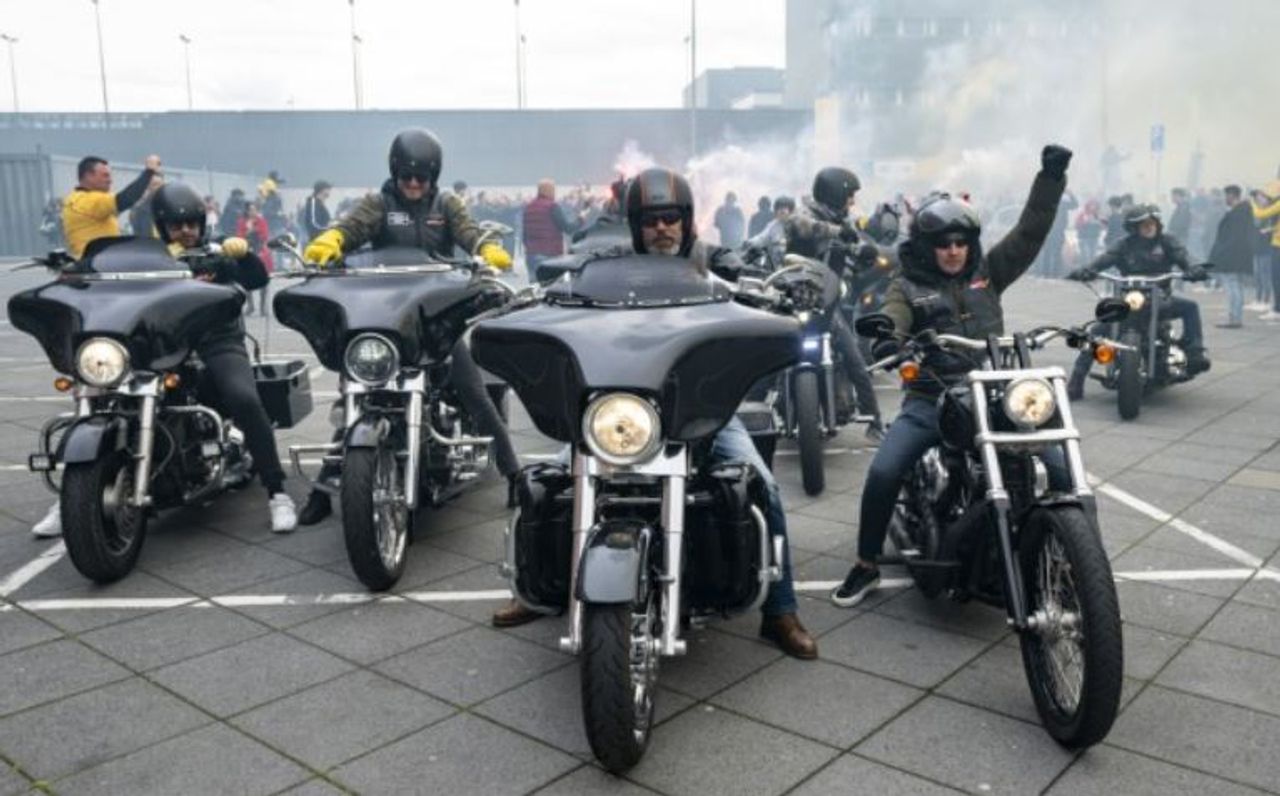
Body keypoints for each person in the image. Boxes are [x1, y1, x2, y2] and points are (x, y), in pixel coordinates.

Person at [493, 167, 818, 660]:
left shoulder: (713, 261)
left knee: (763, 487)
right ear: (635, 224)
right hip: (624, 407)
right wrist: (544, 288)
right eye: (651, 219)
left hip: (701, 406)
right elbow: (572, 272)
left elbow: (749, 274)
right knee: (551, 477)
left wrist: (774, 291)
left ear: (686, 221)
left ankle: (780, 609)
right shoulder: (611, 263)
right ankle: (533, 589)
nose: (662, 228)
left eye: (671, 218)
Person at [831, 145, 1075, 608]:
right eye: (944, 244)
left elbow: (1030, 231)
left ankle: (1072, 560)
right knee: (884, 471)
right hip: (930, 400)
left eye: (960, 242)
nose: (953, 251)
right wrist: (888, 338)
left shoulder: (989, 272)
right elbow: (893, 315)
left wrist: (1050, 177)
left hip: (994, 393)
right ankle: (865, 564)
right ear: (928, 247)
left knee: (1060, 464)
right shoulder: (907, 284)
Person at [32, 183, 298, 539]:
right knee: (96, 391)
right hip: (158, 345)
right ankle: (69, 499)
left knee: (243, 397)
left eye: (191, 224)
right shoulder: (146, 254)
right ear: (161, 225)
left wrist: (243, 254)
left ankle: (277, 492)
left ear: (202, 223)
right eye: (176, 225)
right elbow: (103, 275)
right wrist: (72, 269)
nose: (185, 231)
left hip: (215, 340)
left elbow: (257, 278)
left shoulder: (216, 250)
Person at [298, 128, 517, 525]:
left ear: (434, 176)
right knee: (358, 396)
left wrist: (485, 248)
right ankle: (322, 491)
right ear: (395, 173)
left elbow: (469, 232)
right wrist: (332, 239)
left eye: (422, 177)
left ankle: (514, 473)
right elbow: (352, 228)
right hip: (387, 315)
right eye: (406, 176)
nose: (414, 184)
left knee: (473, 392)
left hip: (434, 319)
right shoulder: (378, 204)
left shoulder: (447, 205)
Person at [1065, 203, 1211, 397]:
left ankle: (1195, 354)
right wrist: (1087, 270)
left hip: (1160, 298)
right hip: (1128, 300)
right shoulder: (1124, 245)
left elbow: (1183, 255)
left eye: (1152, 223)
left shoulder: (1167, 242)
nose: (1149, 227)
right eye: (1144, 224)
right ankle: (1077, 379)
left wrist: (1195, 268)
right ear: (1134, 228)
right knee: (1098, 330)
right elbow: (1105, 259)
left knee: (1190, 307)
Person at [781, 167, 885, 438]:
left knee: (855, 360)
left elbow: (854, 252)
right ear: (834, 193)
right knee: (767, 357)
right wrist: (839, 233)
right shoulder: (806, 214)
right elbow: (800, 227)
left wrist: (865, 256)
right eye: (849, 195)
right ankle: (754, 417)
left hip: (825, 303)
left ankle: (875, 421)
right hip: (793, 301)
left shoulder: (845, 224)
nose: (852, 201)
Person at [60, 154, 163, 258]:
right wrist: (149, 171)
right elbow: (126, 199)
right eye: (105, 175)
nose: (110, 180)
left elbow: (126, 199)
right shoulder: (88, 201)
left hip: (100, 261)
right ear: (88, 176)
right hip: (95, 264)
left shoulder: (77, 198)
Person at [1210, 186, 1257, 328]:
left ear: (1232, 195)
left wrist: (1220, 254)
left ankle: (1234, 318)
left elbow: (1232, 238)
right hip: (1237, 255)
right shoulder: (1243, 211)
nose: (1225, 199)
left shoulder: (1238, 213)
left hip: (1231, 255)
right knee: (1235, 285)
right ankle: (1235, 317)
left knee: (1232, 286)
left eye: (1226, 196)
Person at [521, 178, 581, 280]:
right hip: (550, 253)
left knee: (535, 289)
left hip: (531, 254)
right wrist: (581, 219)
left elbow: (524, 234)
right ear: (550, 191)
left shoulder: (528, 207)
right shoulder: (552, 207)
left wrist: (529, 248)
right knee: (553, 288)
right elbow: (567, 228)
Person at [1249, 183, 1280, 321]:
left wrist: (1254, 202)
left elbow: (1261, 213)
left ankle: (1277, 309)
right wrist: (1272, 229)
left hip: (1277, 245)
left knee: (1275, 278)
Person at [237, 201, 272, 316]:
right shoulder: (242, 222)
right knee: (246, 279)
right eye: (250, 209)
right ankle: (250, 305)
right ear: (247, 210)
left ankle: (263, 306)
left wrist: (254, 230)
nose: (253, 212)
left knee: (264, 278)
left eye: (255, 209)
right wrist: (247, 232)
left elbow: (265, 235)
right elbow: (239, 236)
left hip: (260, 249)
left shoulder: (261, 221)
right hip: (247, 250)